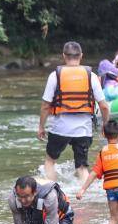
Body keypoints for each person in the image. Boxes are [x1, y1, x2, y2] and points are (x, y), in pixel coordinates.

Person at [38, 41, 110, 183]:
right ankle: (86, 193)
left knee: (50, 161)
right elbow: (104, 106)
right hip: (83, 130)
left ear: (64, 56)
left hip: (60, 129)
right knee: (82, 168)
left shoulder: (55, 76)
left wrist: (41, 126)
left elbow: (46, 105)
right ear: (81, 56)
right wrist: (105, 125)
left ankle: (53, 190)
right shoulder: (91, 76)